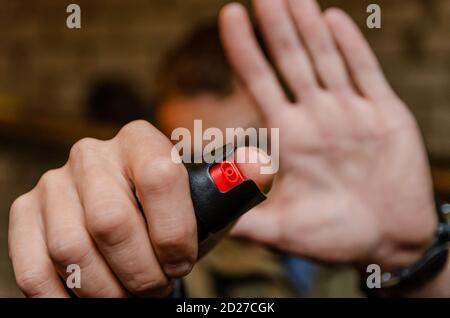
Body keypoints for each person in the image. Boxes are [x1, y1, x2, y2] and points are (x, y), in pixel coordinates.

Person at [8, 0, 449, 297]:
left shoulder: (379, 228)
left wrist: (416, 260)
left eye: (249, 145)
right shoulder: (182, 268)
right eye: (198, 164)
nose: (229, 181)